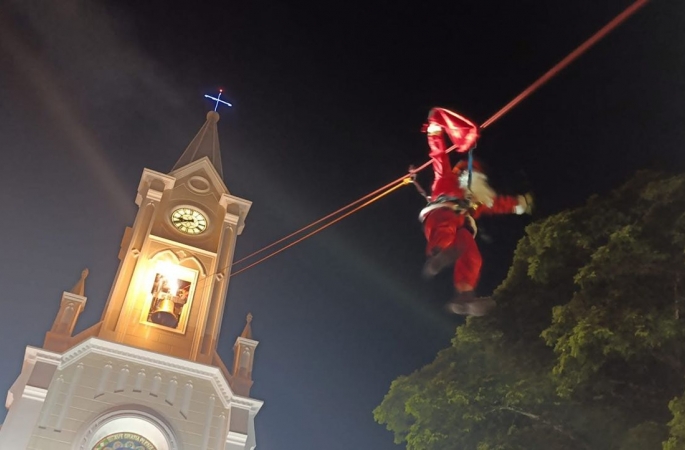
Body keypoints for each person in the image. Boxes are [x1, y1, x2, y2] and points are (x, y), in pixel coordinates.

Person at [419, 107, 533, 316]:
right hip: (442, 214)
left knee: (472, 254)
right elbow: (438, 157)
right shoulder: (446, 180)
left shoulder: (477, 201)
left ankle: (464, 293)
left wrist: (519, 204)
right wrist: (434, 131)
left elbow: (496, 204)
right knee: (448, 226)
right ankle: (438, 254)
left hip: (460, 227)